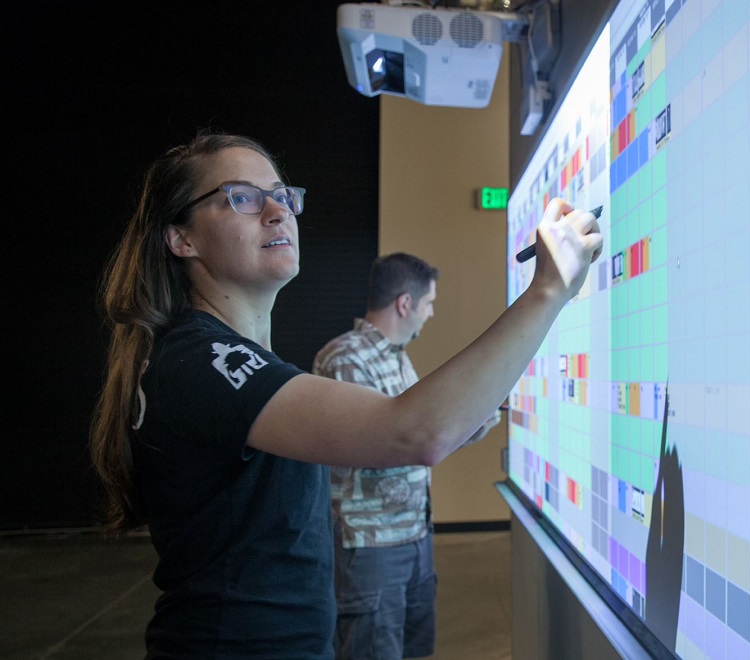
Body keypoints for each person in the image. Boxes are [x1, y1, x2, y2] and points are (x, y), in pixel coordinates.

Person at [88, 130, 601, 657]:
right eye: (242, 197)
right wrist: (548, 289)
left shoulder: (210, 356)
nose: (277, 212)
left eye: (282, 195)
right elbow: (414, 432)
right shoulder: (206, 360)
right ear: (182, 238)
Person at [313, 252, 501, 659]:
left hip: (414, 535)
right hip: (371, 545)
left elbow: (421, 435)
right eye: (429, 303)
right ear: (405, 303)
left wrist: (480, 414)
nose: (430, 314)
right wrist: (448, 424)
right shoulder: (345, 358)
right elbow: (391, 444)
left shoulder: (396, 357)